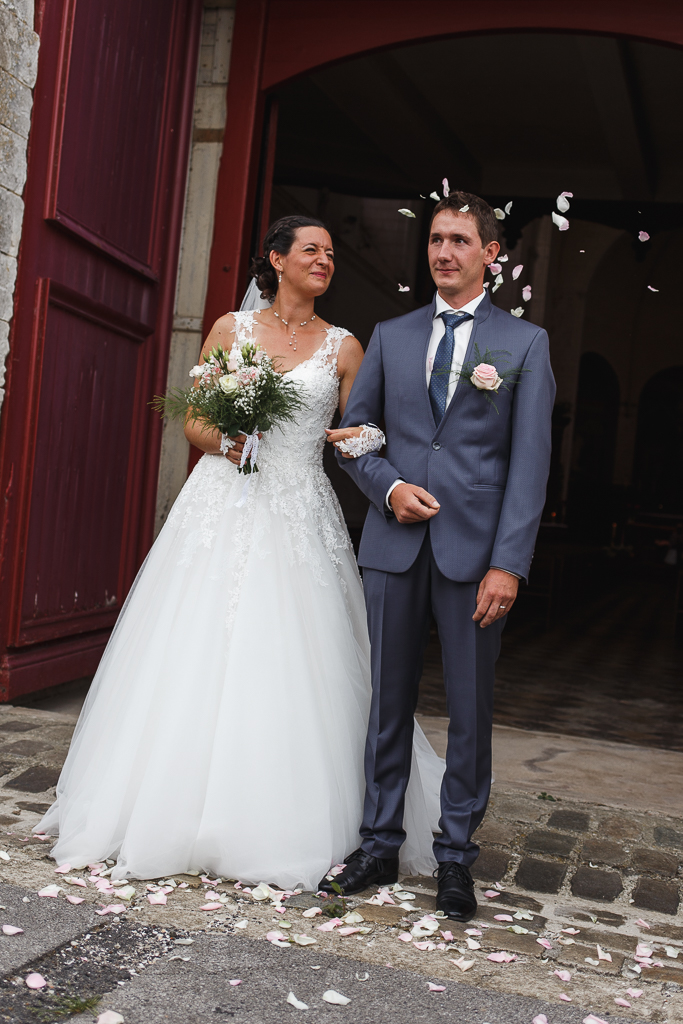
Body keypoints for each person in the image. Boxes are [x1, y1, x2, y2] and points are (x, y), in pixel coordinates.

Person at [35, 215, 444, 890]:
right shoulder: (232, 329)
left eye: (331, 253)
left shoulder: (344, 347)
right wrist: (231, 441)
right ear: (277, 260)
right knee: (194, 645)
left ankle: (288, 817)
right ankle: (166, 806)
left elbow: (364, 429)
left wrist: (371, 450)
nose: (324, 261)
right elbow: (195, 420)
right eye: (312, 250)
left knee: (297, 652)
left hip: (300, 509)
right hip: (223, 502)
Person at [322, 191, 555, 921]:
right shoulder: (389, 335)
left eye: (458, 240)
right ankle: (378, 843)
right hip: (392, 545)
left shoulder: (523, 344)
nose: (442, 253)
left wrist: (507, 564)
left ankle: (454, 857)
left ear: (491, 253)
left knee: (470, 708)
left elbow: (529, 466)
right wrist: (386, 488)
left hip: (475, 553)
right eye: (434, 240)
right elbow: (354, 433)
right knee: (384, 702)